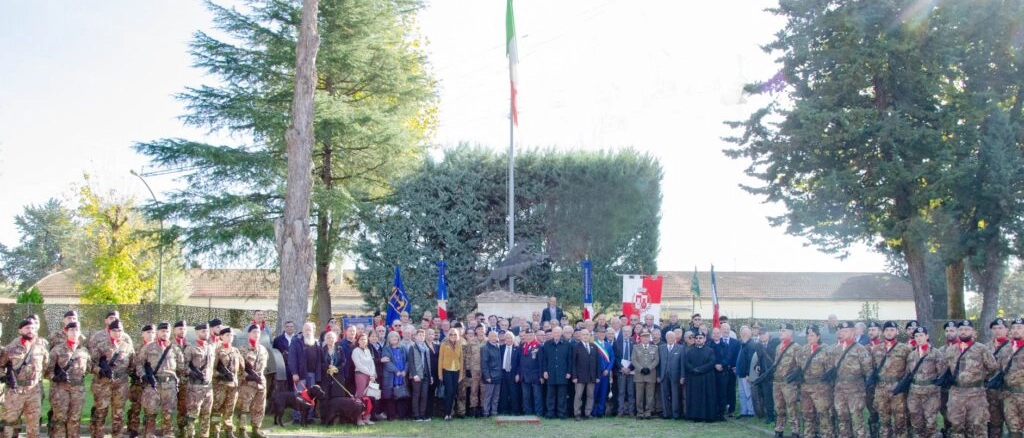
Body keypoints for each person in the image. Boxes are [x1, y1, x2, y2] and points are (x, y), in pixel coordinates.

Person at [945, 319, 999, 438]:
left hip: (976, 395)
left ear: (973, 332)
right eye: (961, 329)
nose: (963, 332)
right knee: (956, 427)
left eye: (967, 329)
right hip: (956, 395)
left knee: (978, 427)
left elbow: (993, 367)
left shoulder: (981, 349)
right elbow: (945, 368)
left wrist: (980, 377)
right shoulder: (950, 350)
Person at [1, 319, 48, 438]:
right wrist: (7, 379)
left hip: (34, 391)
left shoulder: (40, 347)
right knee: (9, 423)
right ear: (20, 330)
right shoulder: (10, 348)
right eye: (27, 328)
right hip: (15, 392)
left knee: (33, 424)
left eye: (32, 328)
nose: (30, 331)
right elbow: (1, 366)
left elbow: (47, 366)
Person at [138, 322, 184, 438]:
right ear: (157, 332)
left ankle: (168, 434)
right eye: (162, 331)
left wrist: (176, 378)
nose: (165, 333)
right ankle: (149, 435)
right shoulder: (148, 347)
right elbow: (139, 364)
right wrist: (143, 375)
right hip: (152, 385)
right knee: (150, 414)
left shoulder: (174, 348)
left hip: (169, 386)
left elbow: (181, 367)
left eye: (167, 331)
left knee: (168, 413)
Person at [91, 319, 135, 438]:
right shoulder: (100, 346)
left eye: (120, 330)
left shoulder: (127, 348)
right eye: (114, 330)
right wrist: (100, 370)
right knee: (100, 414)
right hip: (102, 385)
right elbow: (90, 364)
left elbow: (132, 366)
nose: (117, 333)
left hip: (121, 386)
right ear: (109, 331)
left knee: (118, 415)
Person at [46, 322, 89, 438]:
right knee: (60, 419)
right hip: (61, 390)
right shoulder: (57, 350)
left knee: (75, 419)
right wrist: (55, 377)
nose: (74, 332)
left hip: (78, 390)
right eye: (71, 330)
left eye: (76, 330)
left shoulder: (83, 350)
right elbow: (47, 370)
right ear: (66, 332)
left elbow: (88, 368)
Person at [832, 321, 873, 438]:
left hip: (855, 390)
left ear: (853, 332)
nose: (843, 333)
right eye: (841, 331)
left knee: (857, 419)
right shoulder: (836, 349)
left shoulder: (860, 349)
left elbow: (868, 371)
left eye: (846, 331)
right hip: (840, 389)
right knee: (842, 417)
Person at [871, 321, 911, 438]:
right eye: (887, 330)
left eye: (892, 330)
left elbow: (908, 370)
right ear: (883, 332)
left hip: (897, 389)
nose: (889, 333)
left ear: (897, 332)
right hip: (881, 389)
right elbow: (873, 368)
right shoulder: (876, 349)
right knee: (883, 419)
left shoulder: (905, 349)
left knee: (900, 420)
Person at [905, 326, 944, 438]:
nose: (919, 338)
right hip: (914, 394)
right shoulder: (911, 355)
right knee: (916, 423)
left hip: (930, 394)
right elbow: (907, 374)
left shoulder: (936, 353)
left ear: (927, 336)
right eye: (916, 336)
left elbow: (941, 373)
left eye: (921, 335)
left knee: (930, 423)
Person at [796, 324, 832, 438]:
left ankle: (826, 435)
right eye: (808, 335)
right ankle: (809, 434)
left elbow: (830, 370)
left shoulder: (826, 350)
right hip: (806, 388)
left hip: (820, 388)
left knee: (823, 414)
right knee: (807, 414)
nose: (809, 337)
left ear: (818, 336)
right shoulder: (803, 350)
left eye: (812, 335)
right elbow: (799, 367)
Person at [181, 323, 215, 438]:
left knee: (206, 415)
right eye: (203, 331)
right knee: (192, 415)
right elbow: (182, 366)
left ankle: (203, 435)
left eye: (207, 331)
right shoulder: (190, 348)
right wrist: (191, 372)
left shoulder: (211, 347)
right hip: (195, 387)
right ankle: (189, 435)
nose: (206, 333)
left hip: (208, 387)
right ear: (197, 333)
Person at [237, 324, 269, 438]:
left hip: (260, 383)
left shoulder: (263, 350)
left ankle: (256, 428)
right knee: (244, 407)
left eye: (258, 332)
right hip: (247, 383)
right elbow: (239, 368)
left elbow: (264, 367)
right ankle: (242, 430)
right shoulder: (242, 349)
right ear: (249, 334)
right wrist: (247, 376)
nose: (256, 334)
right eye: (254, 332)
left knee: (259, 407)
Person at [770, 323, 801, 438]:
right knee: (779, 408)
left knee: (791, 407)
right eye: (780, 330)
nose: (780, 333)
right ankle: (779, 430)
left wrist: (793, 379)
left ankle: (795, 431)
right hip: (777, 382)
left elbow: (799, 366)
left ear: (790, 333)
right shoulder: (779, 347)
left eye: (783, 331)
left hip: (789, 383)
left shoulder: (796, 347)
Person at [684, 331, 719, 422]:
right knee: (695, 397)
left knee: (707, 396)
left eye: (700, 338)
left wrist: (700, 369)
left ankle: (708, 416)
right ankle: (696, 416)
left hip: (707, 378)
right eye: (697, 338)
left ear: (704, 339)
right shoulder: (690, 351)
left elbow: (712, 362)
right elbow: (686, 363)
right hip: (694, 378)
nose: (698, 340)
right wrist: (693, 370)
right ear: (695, 339)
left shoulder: (710, 350)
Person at [126, 324, 154, 438]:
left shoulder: (158, 348)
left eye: (152, 332)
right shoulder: (136, 348)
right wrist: (135, 374)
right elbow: (130, 364)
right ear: (142, 333)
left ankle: (147, 432)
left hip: (151, 384)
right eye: (148, 332)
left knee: (150, 409)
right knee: (135, 409)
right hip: (137, 384)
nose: (150, 335)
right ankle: (133, 431)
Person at [542, 326, 572, 419]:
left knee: (562, 395)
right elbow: (544, 360)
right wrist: (545, 371)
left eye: (558, 333)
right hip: (550, 373)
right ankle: (550, 412)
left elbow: (569, 360)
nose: (556, 334)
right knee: (550, 395)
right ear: (552, 333)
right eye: (554, 332)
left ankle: (561, 413)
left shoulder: (567, 344)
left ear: (561, 333)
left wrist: (569, 372)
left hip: (562, 373)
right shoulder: (547, 344)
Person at [1001, 317, 1024, 438]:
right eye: (1013, 328)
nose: (1016, 330)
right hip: (1010, 396)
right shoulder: (1005, 350)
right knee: (1014, 431)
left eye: (1019, 328)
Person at [571, 329, 600, 420]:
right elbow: (573, 363)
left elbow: (597, 363)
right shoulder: (576, 347)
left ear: (589, 335)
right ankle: (577, 414)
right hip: (579, 376)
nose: (585, 336)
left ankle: (588, 413)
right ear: (580, 335)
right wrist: (574, 376)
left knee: (590, 395)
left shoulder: (594, 346)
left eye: (587, 334)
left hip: (592, 376)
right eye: (583, 334)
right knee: (578, 396)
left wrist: (597, 376)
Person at [989, 318, 1011, 438]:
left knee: (1012, 423)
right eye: (994, 328)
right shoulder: (984, 348)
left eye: (1000, 328)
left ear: (1007, 330)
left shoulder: (1015, 347)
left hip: (1009, 392)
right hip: (991, 393)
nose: (997, 331)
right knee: (994, 424)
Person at [381, 331, 410, 420]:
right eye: (392, 337)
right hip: (391, 376)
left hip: (402, 375)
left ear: (398, 338)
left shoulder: (403, 348)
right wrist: (396, 371)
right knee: (390, 396)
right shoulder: (386, 349)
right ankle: (391, 416)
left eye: (396, 337)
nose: (394, 338)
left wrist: (405, 371)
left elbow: (408, 361)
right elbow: (387, 362)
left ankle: (402, 415)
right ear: (389, 339)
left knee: (402, 394)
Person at [632, 330, 659, 420]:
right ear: (640, 338)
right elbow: (634, 360)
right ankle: (640, 413)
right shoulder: (636, 347)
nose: (645, 338)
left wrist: (649, 368)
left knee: (650, 395)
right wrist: (641, 369)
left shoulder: (654, 348)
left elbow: (656, 360)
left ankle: (648, 412)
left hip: (650, 374)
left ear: (649, 338)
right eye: (643, 337)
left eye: (647, 337)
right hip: (639, 375)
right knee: (639, 395)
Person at [437, 327, 463, 421]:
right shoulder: (444, 344)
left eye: (455, 334)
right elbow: (440, 359)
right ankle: (446, 414)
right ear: (448, 335)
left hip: (456, 370)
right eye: (451, 334)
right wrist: (440, 374)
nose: (453, 336)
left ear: (457, 336)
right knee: (449, 391)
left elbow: (461, 360)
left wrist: (460, 375)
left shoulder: (459, 345)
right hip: (446, 370)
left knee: (453, 393)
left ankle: (449, 413)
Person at [351, 333, 377, 425]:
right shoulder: (355, 351)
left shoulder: (368, 350)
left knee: (368, 397)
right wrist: (370, 373)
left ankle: (366, 417)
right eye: (361, 339)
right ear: (358, 341)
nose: (363, 341)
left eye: (365, 339)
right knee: (360, 397)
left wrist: (373, 373)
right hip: (360, 375)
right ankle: (358, 419)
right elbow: (359, 365)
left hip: (370, 376)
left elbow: (372, 363)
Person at [407, 329, 433, 422]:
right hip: (417, 375)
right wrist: (414, 375)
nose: (422, 337)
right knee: (416, 395)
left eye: (423, 335)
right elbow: (411, 363)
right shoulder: (412, 347)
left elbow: (428, 363)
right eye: (420, 335)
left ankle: (423, 414)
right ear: (416, 337)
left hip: (425, 375)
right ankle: (416, 415)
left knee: (424, 395)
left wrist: (430, 376)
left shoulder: (426, 348)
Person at [517, 329, 544, 417]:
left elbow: (541, 362)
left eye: (531, 335)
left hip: (535, 375)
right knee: (526, 396)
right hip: (524, 375)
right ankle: (527, 412)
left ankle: (538, 412)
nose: (529, 337)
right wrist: (519, 373)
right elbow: (519, 361)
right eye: (527, 335)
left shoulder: (538, 346)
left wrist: (541, 376)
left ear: (534, 336)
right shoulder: (522, 346)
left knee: (537, 395)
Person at [456, 327, 482, 418]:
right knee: (469, 391)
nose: (470, 335)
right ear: (465, 334)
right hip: (470, 371)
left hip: (481, 371)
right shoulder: (467, 343)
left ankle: (480, 410)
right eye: (468, 333)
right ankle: (469, 410)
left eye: (472, 333)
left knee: (480, 391)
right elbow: (467, 357)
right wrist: (467, 369)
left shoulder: (485, 340)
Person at [658, 330, 684, 419]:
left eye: (672, 337)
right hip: (663, 375)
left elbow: (682, 364)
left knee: (675, 396)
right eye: (668, 337)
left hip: (675, 376)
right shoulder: (661, 348)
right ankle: (666, 414)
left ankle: (675, 414)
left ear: (675, 338)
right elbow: (658, 363)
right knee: (664, 395)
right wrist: (658, 375)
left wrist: (682, 376)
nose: (670, 339)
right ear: (666, 338)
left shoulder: (680, 348)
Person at [613, 325, 636, 417]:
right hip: (621, 371)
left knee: (631, 392)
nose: (626, 333)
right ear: (622, 332)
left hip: (631, 371)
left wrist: (630, 368)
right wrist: (622, 368)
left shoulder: (634, 343)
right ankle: (620, 411)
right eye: (625, 331)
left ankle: (631, 412)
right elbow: (616, 357)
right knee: (621, 392)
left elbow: (636, 358)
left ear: (631, 332)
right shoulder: (617, 343)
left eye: (628, 331)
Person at [592, 328, 615, 418]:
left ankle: (601, 412)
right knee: (594, 393)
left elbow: (612, 358)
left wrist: (608, 370)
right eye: (600, 333)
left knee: (603, 393)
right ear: (597, 334)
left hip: (605, 374)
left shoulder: (608, 345)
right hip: (596, 373)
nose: (602, 334)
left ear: (605, 334)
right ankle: (593, 412)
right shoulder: (593, 345)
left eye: (603, 333)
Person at [735, 326, 756, 418]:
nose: (743, 334)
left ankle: (750, 412)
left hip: (746, 375)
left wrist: (748, 374)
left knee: (748, 393)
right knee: (742, 394)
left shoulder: (750, 345)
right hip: (740, 373)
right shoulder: (742, 344)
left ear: (749, 334)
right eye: (742, 333)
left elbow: (750, 361)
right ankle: (744, 411)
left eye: (745, 333)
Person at [480, 330, 502, 418]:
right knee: (488, 396)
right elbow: (484, 363)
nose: (495, 338)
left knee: (496, 396)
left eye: (496, 336)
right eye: (493, 336)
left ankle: (494, 412)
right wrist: (487, 376)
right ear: (488, 337)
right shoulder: (485, 348)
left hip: (498, 376)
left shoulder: (498, 347)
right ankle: (486, 413)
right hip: (490, 377)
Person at [498, 332, 520, 414]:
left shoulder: (517, 348)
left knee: (513, 393)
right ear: (505, 339)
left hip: (513, 373)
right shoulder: (501, 348)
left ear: (513, 339)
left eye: (511, 338)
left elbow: (519, 363)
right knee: (503, 392)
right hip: (503, 373)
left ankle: (515, 411)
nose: (509, 339)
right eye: (507, 338)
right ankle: (503, 410)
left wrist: (518, 374)